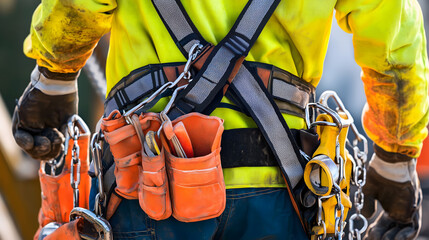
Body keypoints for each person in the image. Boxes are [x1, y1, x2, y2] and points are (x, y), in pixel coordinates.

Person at [12, 0, 428, 239]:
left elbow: (77, 5)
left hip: (149, 190)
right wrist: (394, 155)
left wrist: (55, 77)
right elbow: (393, 38)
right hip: (281, 189)